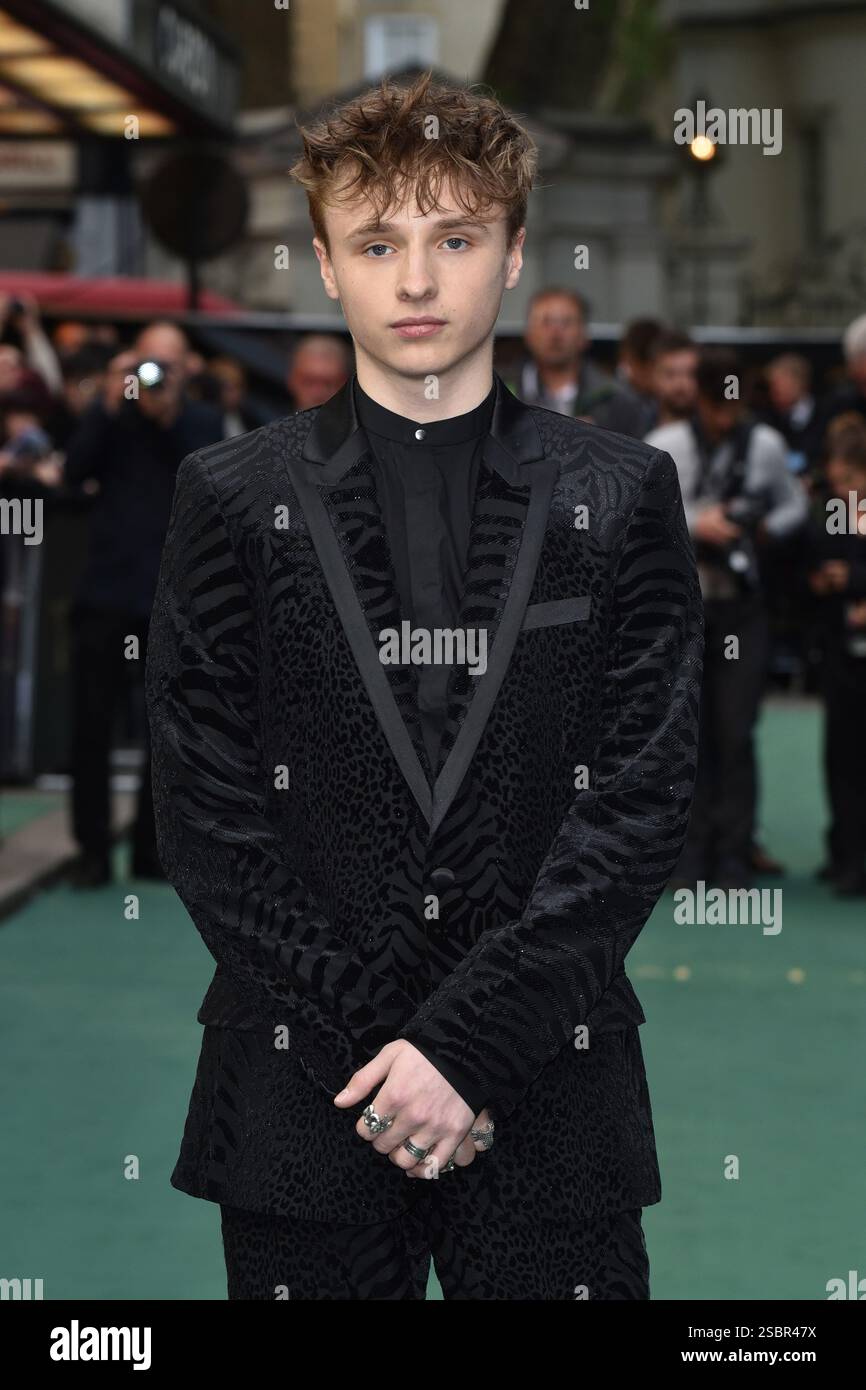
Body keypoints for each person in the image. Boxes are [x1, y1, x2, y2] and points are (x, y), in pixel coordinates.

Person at [145, 71, 703, 1302]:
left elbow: (639, 802)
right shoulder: (231, 500)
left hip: (551, 1096)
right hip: (303, 1097)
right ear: (326, 264)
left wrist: (460, 1050)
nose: (413, 281)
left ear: (511, 255)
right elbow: (206, 816)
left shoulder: (619, 496)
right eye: (377, 241)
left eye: (452, 237)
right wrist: (394, 1056)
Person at [63, 320, 223, 888]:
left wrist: (169, 414)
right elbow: (72, 472)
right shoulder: (112, 417)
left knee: (170, 733)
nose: (153, 378)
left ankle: (153, 851)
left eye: (167, 367)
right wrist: (109, 403)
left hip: (171, 599)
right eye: (146, 365)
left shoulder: (200, 422)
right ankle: (92, 852)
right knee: (90, 727)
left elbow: (210, 486)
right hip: (105, 593)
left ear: (188, 371)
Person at [647, 348, 808, 889]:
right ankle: (686, 859)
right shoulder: (668, 443)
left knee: (736, 733)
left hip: (741, 608)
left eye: (732, 406)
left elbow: (795, 507)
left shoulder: (763, 445)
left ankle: (735, 856)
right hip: (681, 610)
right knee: (685, 735)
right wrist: (699, 525)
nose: (724, 417)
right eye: (717, 405)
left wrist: (761, 527)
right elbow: (639, 509)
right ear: (701, 398)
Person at [805, 432, 866, 895]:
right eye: (836, 479)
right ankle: (845, 854)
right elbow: (807, 564)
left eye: (848, 479)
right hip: (841, 655)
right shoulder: (831, 516)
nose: (840, 488)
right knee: (841, 759)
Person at [508, 287, 648, 435]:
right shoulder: (500, 392)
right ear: (528, 334)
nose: (555, 333)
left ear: (584, 335)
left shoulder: (616, 399)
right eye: (546, 322)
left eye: (566, 322)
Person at [645, 329, 699, 433]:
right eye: (670, 374)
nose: (681, 384)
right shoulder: (633, 428)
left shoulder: (716, 432)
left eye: (690, 374)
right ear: (653, 376)